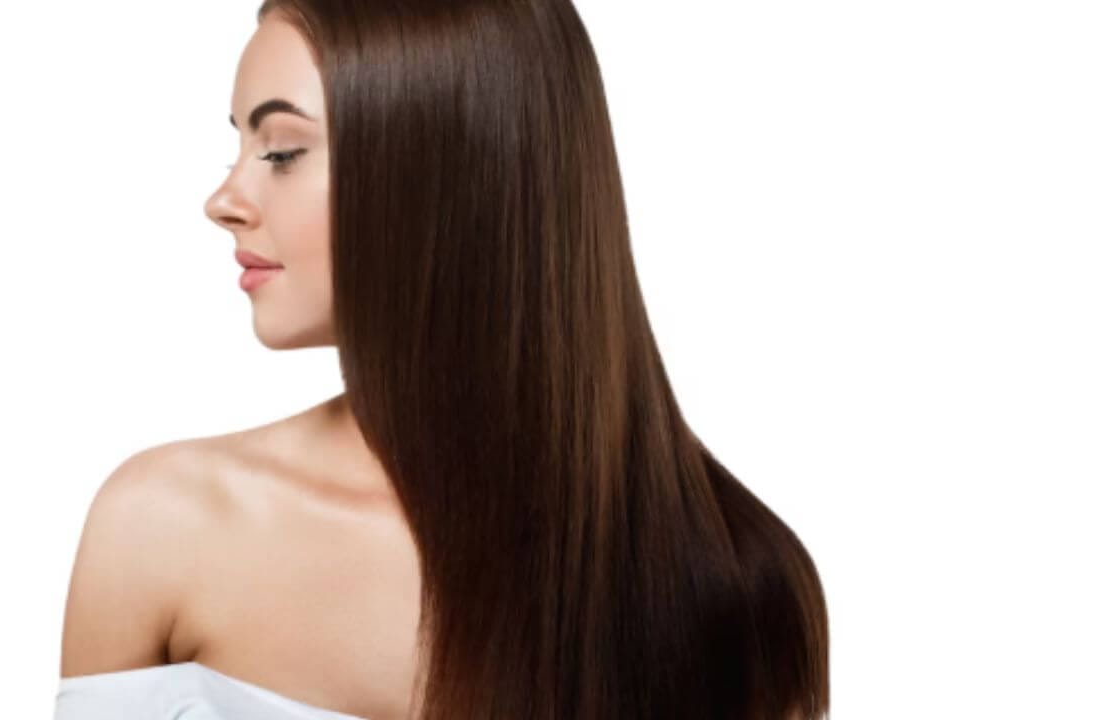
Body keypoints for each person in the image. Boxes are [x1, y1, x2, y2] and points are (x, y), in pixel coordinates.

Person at [56, 2, 829, 719]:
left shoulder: (738, 583)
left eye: (282, 151)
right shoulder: (165, 522)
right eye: (241, 146)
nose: (224, 199)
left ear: (450, 169)